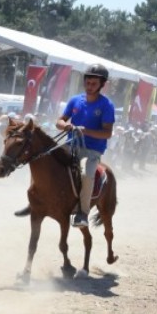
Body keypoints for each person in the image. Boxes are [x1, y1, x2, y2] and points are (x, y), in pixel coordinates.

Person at [57, 63, 115, 227]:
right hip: (70, 146)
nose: (89, 87)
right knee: (47, 160)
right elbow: (59, 121)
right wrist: (67, 126)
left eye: (94, 84)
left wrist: (86, 131)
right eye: (87, 83)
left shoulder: (106, 105)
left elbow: (107, 133)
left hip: (91, 151)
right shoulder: (75, 100)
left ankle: (82, 213)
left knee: (86, 175)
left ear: (102, 85)